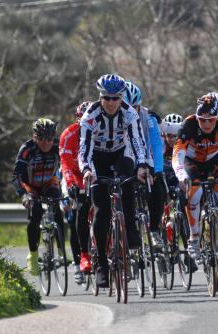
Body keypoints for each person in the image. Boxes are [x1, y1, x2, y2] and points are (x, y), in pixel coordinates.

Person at [79, 74, 149, 287]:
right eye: (106, 98)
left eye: (115, 98)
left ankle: (130, 227)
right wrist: (87, 170)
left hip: (120, 154)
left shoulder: (129, 113)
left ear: (121, 98)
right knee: (102, 212)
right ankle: (101, 264)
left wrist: (143, 165)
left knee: (128, 182)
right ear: (100, 97)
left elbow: (137, 141)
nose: (110, 103)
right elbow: (85, 148)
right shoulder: (90, 116)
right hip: (97, 159)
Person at [172, 92, 218, 269]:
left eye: (211, 120)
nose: (206, 123)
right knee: (194, 192)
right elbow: (178, 154)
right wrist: (181, 175)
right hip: (192, 163)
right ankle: (194, 236)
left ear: (217, 117)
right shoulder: (188, 125)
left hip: (214, 163)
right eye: (202, 120)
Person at [12, 118, 63, 276]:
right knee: (36, 211)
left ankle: (61, 251)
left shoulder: (58, 146)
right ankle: (32, 255)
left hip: (49, 182)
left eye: (49, 139)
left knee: (57, 207)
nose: (46, 143)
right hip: (31, 186)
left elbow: (68, 166)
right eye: (41, 138)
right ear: (35, 136)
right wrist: (23, 195)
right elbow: (16, 175)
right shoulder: (27, 149)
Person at [123, 81, 165, 249]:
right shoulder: (115, 115)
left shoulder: (148, 117)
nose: (132, 111)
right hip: (124, 159)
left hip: (144, 159)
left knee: (158, 188)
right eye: (128, 107)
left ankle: (154, 230)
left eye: (136, 107)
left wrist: (159, 171)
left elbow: (156, 144)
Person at [59, 101, 93, 284]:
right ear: (78, 119)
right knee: (75, 218)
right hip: (73, 176)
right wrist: (71, 184)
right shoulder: (69, 134)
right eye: (84, 119)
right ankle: (78, 260)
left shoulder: (99, 132)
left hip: (91, 175)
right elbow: (65, 163)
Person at [161, 113, 198, 272]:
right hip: (164, 178)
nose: (172, 139)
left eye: (175, 136)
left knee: (183, 213)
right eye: (169, 135)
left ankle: (188, 256)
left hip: (180, 179)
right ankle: (163, 251)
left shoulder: (185, 145)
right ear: (164, 135)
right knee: (159, 213)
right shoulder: (160, 146)